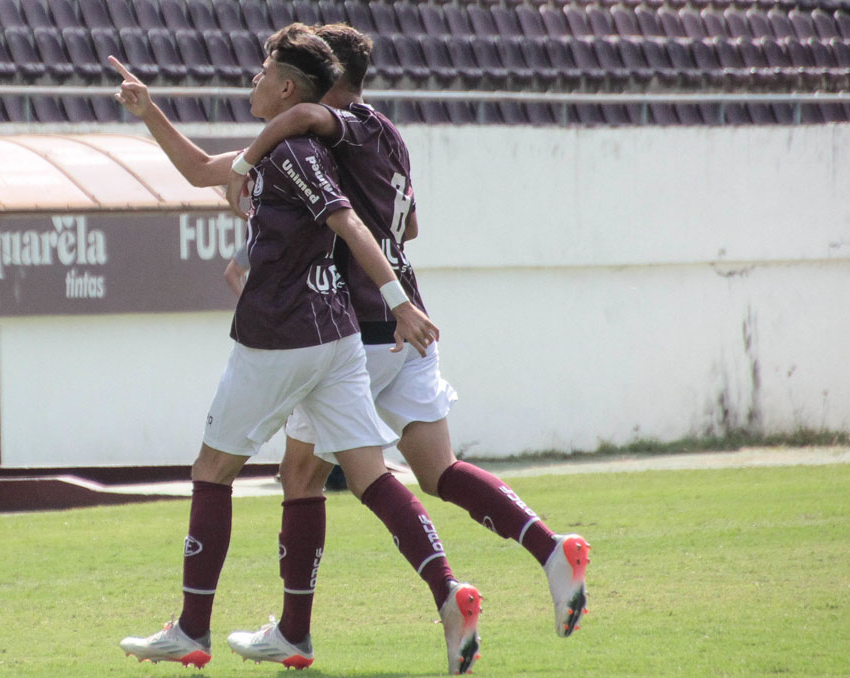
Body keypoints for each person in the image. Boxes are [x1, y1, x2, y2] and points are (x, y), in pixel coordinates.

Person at [109, 24, 482, 676]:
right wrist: (149, 112)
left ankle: (192, 628)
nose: (252, 80)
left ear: (286, 87)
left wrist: (398, 301)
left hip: (278, 335)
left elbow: (349, 224)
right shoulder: (278, 148)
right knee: (367, 475)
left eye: (261, 72)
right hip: (336, 339)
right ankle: (449, 595)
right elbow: (201, 169)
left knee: (211, 468)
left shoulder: (288, 154)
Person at [223, 22, 591, 645]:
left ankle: (315, 625)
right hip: (408, 318)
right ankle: (552, 550)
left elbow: (295, 124)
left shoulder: (337, 127)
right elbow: (410, 225)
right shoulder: (388, 133)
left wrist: (245, 161)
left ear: (328, 80)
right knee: (439, 468)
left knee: (310, 475)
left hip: (357, 328)